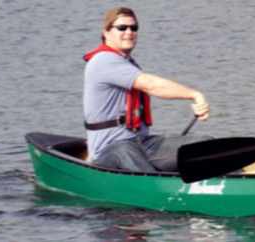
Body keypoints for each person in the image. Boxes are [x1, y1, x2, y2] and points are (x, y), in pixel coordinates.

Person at [82, 6, 211, 172]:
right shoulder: (103, 61)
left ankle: (230, 179)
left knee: (205, 144)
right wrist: (194, 95)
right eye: (122, 28)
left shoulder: (128, 63)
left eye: (133, 28)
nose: (129, 32)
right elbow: (152, 85)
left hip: (142, 144)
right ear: (106, 33)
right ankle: (160, 191)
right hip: (109, 150)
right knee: (126, 152)